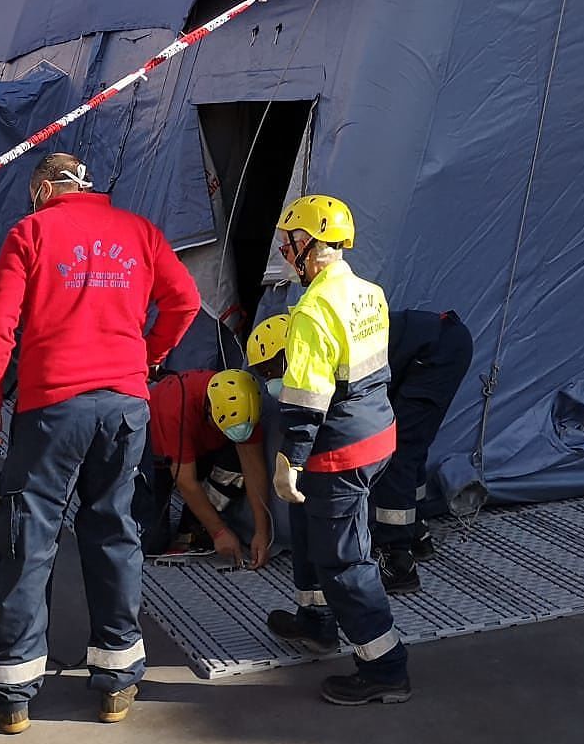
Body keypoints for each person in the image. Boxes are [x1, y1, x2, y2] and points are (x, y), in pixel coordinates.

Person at [0, 153, 199, 734]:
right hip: (124, 407)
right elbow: (185, 300)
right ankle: (117, 683)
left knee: (29, 535)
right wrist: (147, 356)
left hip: (53, 409)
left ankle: (14, 691)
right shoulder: (139, 232)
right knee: (114, 532)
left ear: (44, 189)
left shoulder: (31, 233)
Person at [262, 194, 411, 706]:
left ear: (310, 246)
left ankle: (385, 668)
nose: (285, 252)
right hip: (377, 433)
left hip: (338, 450)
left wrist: (290, 462)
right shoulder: (369, 293)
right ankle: (316, 620)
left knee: (346, 559)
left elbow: (306, 401)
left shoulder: (311, 311)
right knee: (311, 529)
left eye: (289, 243)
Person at [250, 306, 473, 593]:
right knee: (409, 445)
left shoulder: (326, 356)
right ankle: (415, 532)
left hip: (438, 351)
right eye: (263, 374)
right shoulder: (320, 346)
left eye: (272, 369)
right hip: (430, 348)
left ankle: (397, 560)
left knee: (398, 450)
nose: (271, 381)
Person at [141, 367, 273, 568]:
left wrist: (262, 532)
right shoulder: (176, 406)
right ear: (209, 410)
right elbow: (185, 481)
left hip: (201, 451)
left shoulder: (245, 405)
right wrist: (219, 532)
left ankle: (193, 525)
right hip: (154, 455)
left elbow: (254, 469)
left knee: (236, 461)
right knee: (151, 543)